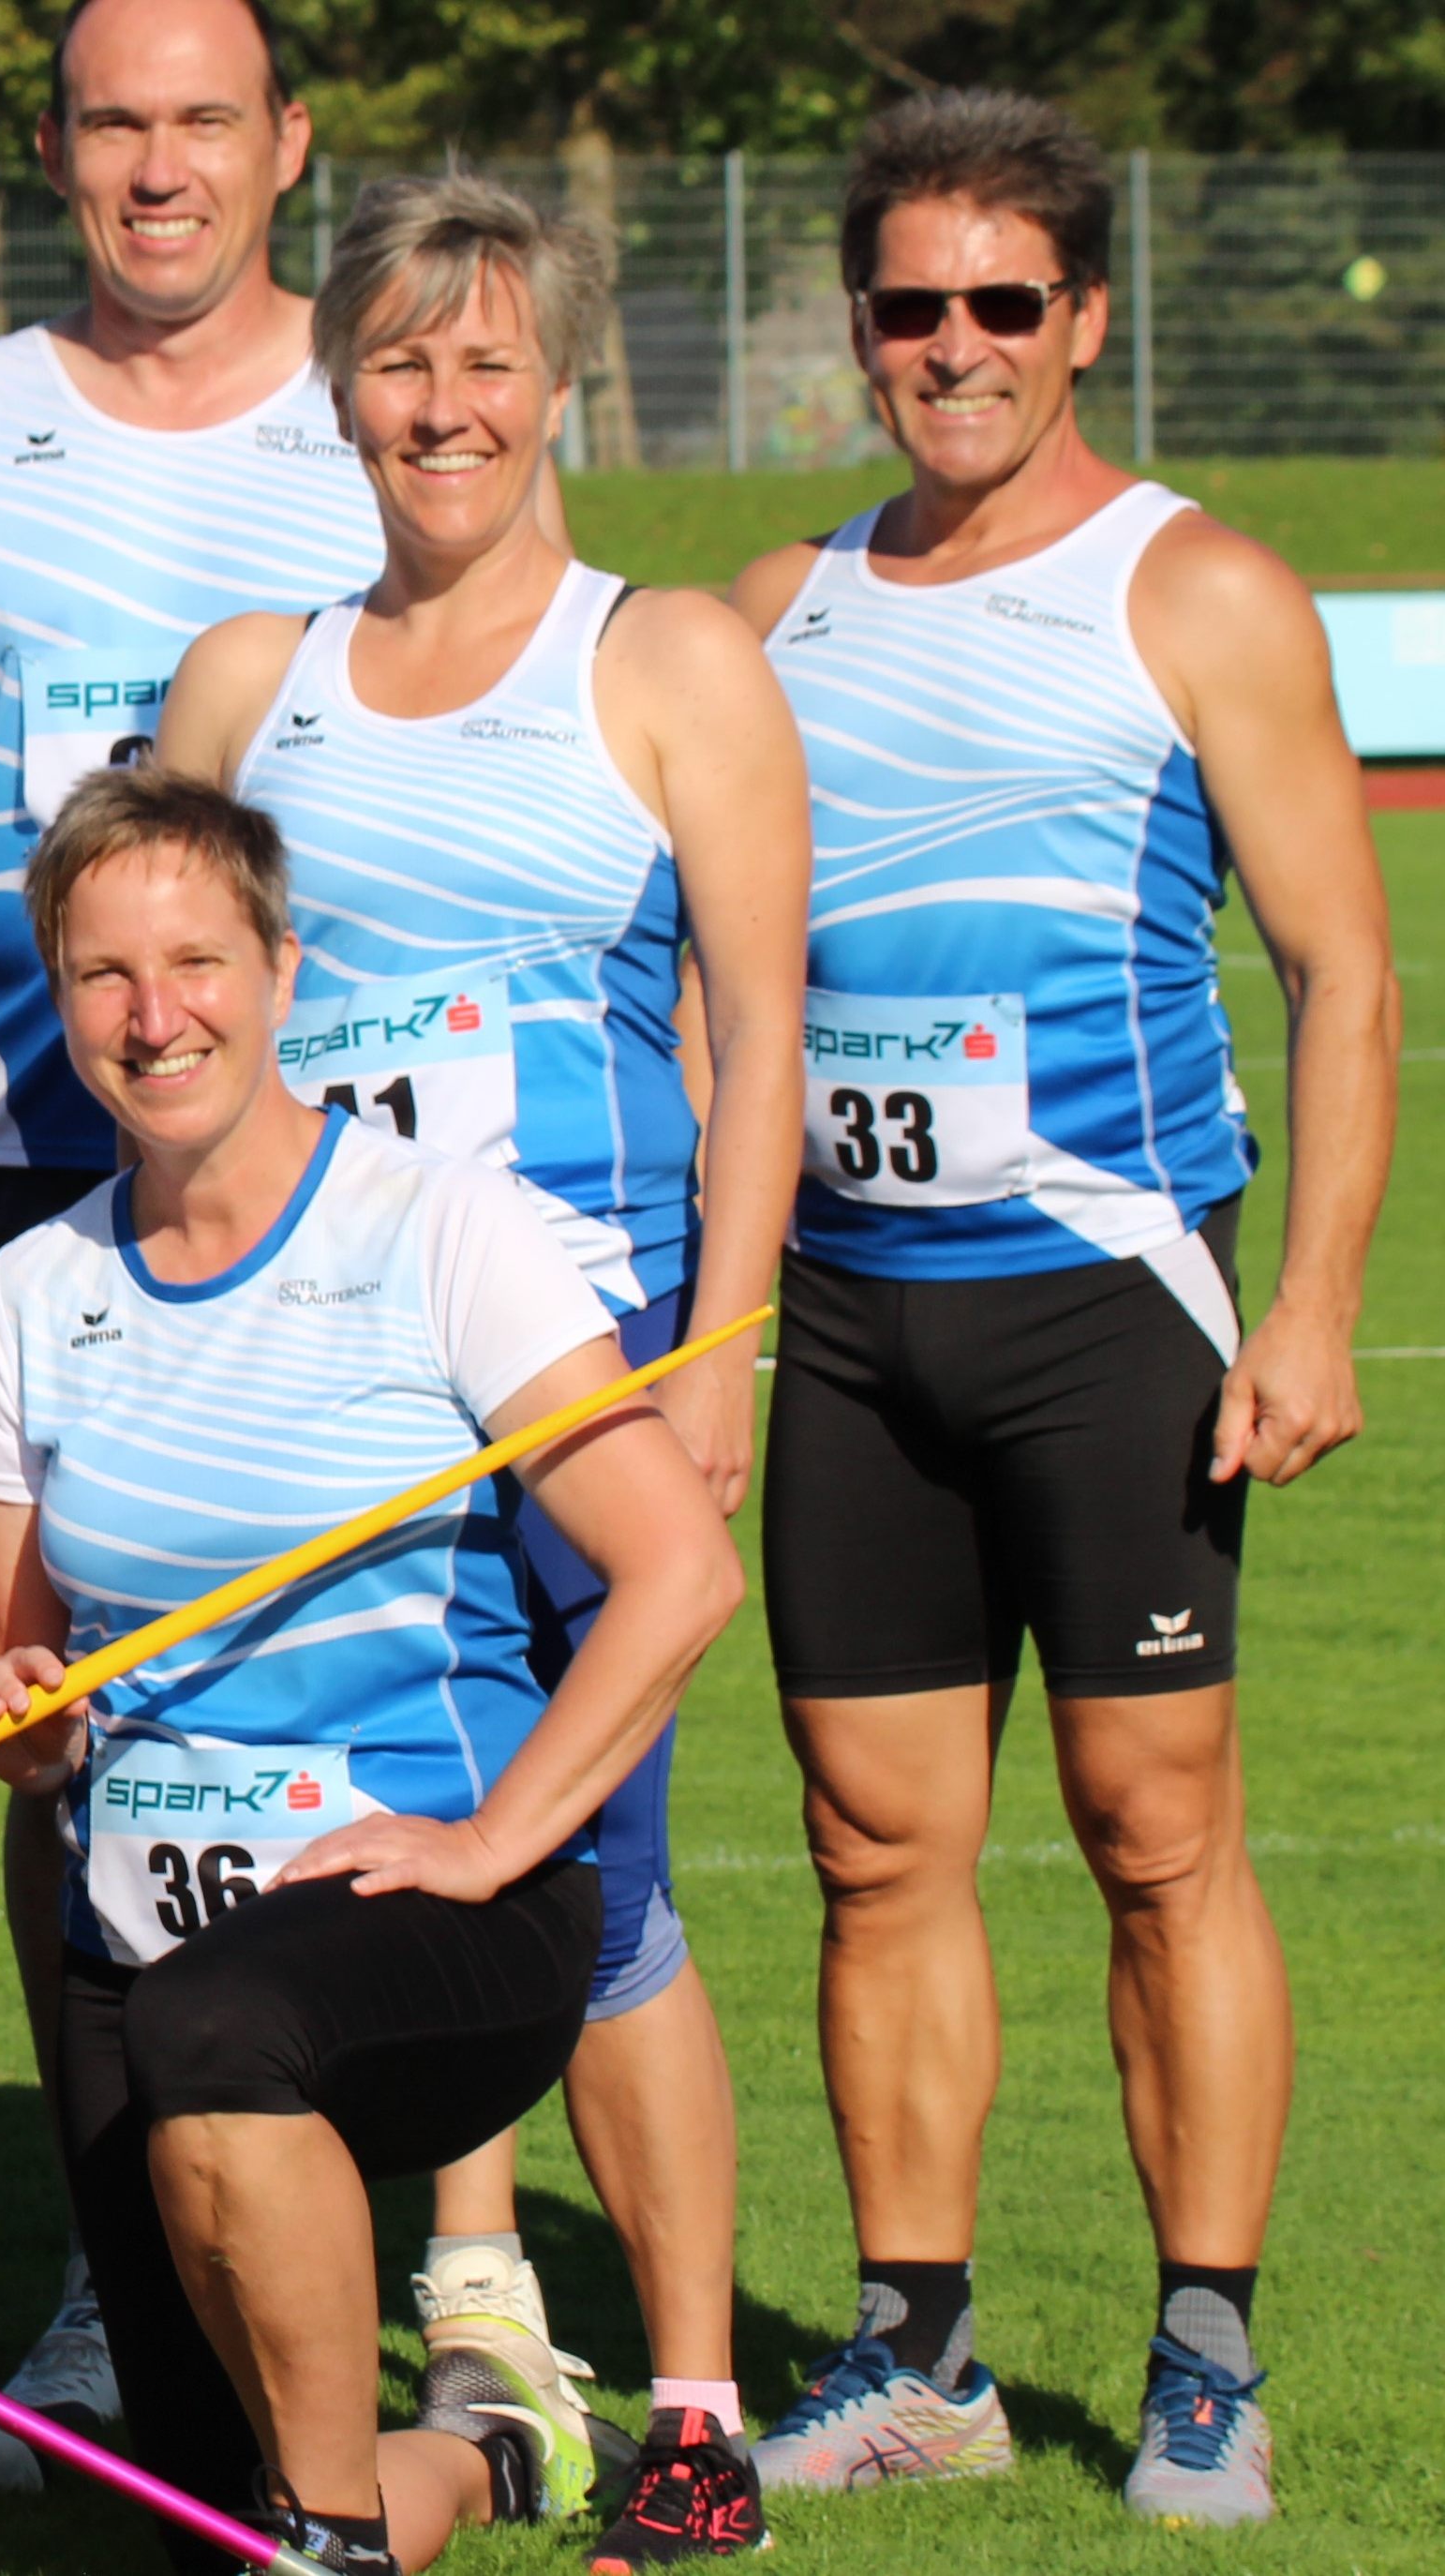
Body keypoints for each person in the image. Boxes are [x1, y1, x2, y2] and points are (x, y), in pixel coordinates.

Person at [726, 92, 1396, 2528]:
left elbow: (1342, 969)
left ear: (1083, 318)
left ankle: (1203, 2344)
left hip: (1114, 1315)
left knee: (1153, 1828)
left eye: (1004, 302)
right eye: (909, 304)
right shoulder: (774, 599)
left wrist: (1309, 1303)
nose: (955, 347)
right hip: (849, 1330)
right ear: (861, 325)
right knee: (873, 1842)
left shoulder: (1194, 587)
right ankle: (920, 2352)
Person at [156, 173, 808, 2564]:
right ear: (339, 387)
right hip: (350, 1360)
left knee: (603, 1859)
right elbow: (187, 1004)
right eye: (402, 364)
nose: (444, 409)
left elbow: (759, 1037)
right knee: (388, 1817)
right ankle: (465, 2289)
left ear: (555, 389)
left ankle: (695, 2392)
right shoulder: (254, 678)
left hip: (595, 1345)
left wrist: (716, 1351)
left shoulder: (666, 665)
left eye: (488, 364)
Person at [0, 0, 384, 2438]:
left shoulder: (386, 411)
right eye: (114, 122)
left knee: (360, 1684)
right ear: (55, 148)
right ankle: (111, 2238)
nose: (159, 167)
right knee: (55, 1731)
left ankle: (435, 2243)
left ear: (288, 145)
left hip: (338, 1206)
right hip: (29, 1199)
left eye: (203, 121)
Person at [0, 768, 744, 2575]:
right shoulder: (23, 1295)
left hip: (422, 1912)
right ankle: (468, 2458)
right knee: (186, 2510)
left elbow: (676, 1568)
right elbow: (39, 1701)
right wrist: (20, 1724)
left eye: (195, 961)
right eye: (98, 975)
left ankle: (337, 2541)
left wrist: (493, 1840)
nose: (154, 1019)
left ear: (281, 966)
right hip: (132, 1932)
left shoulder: (436, 1227)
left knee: (212, 2035)